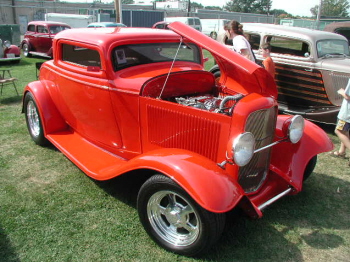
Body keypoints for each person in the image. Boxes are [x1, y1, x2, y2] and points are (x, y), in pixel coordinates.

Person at [332, 79, 350, 166]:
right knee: (345, 131)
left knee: (339, 131)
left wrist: (342, 92)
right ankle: (341, 152)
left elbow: (348, 96)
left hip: (347, 112)